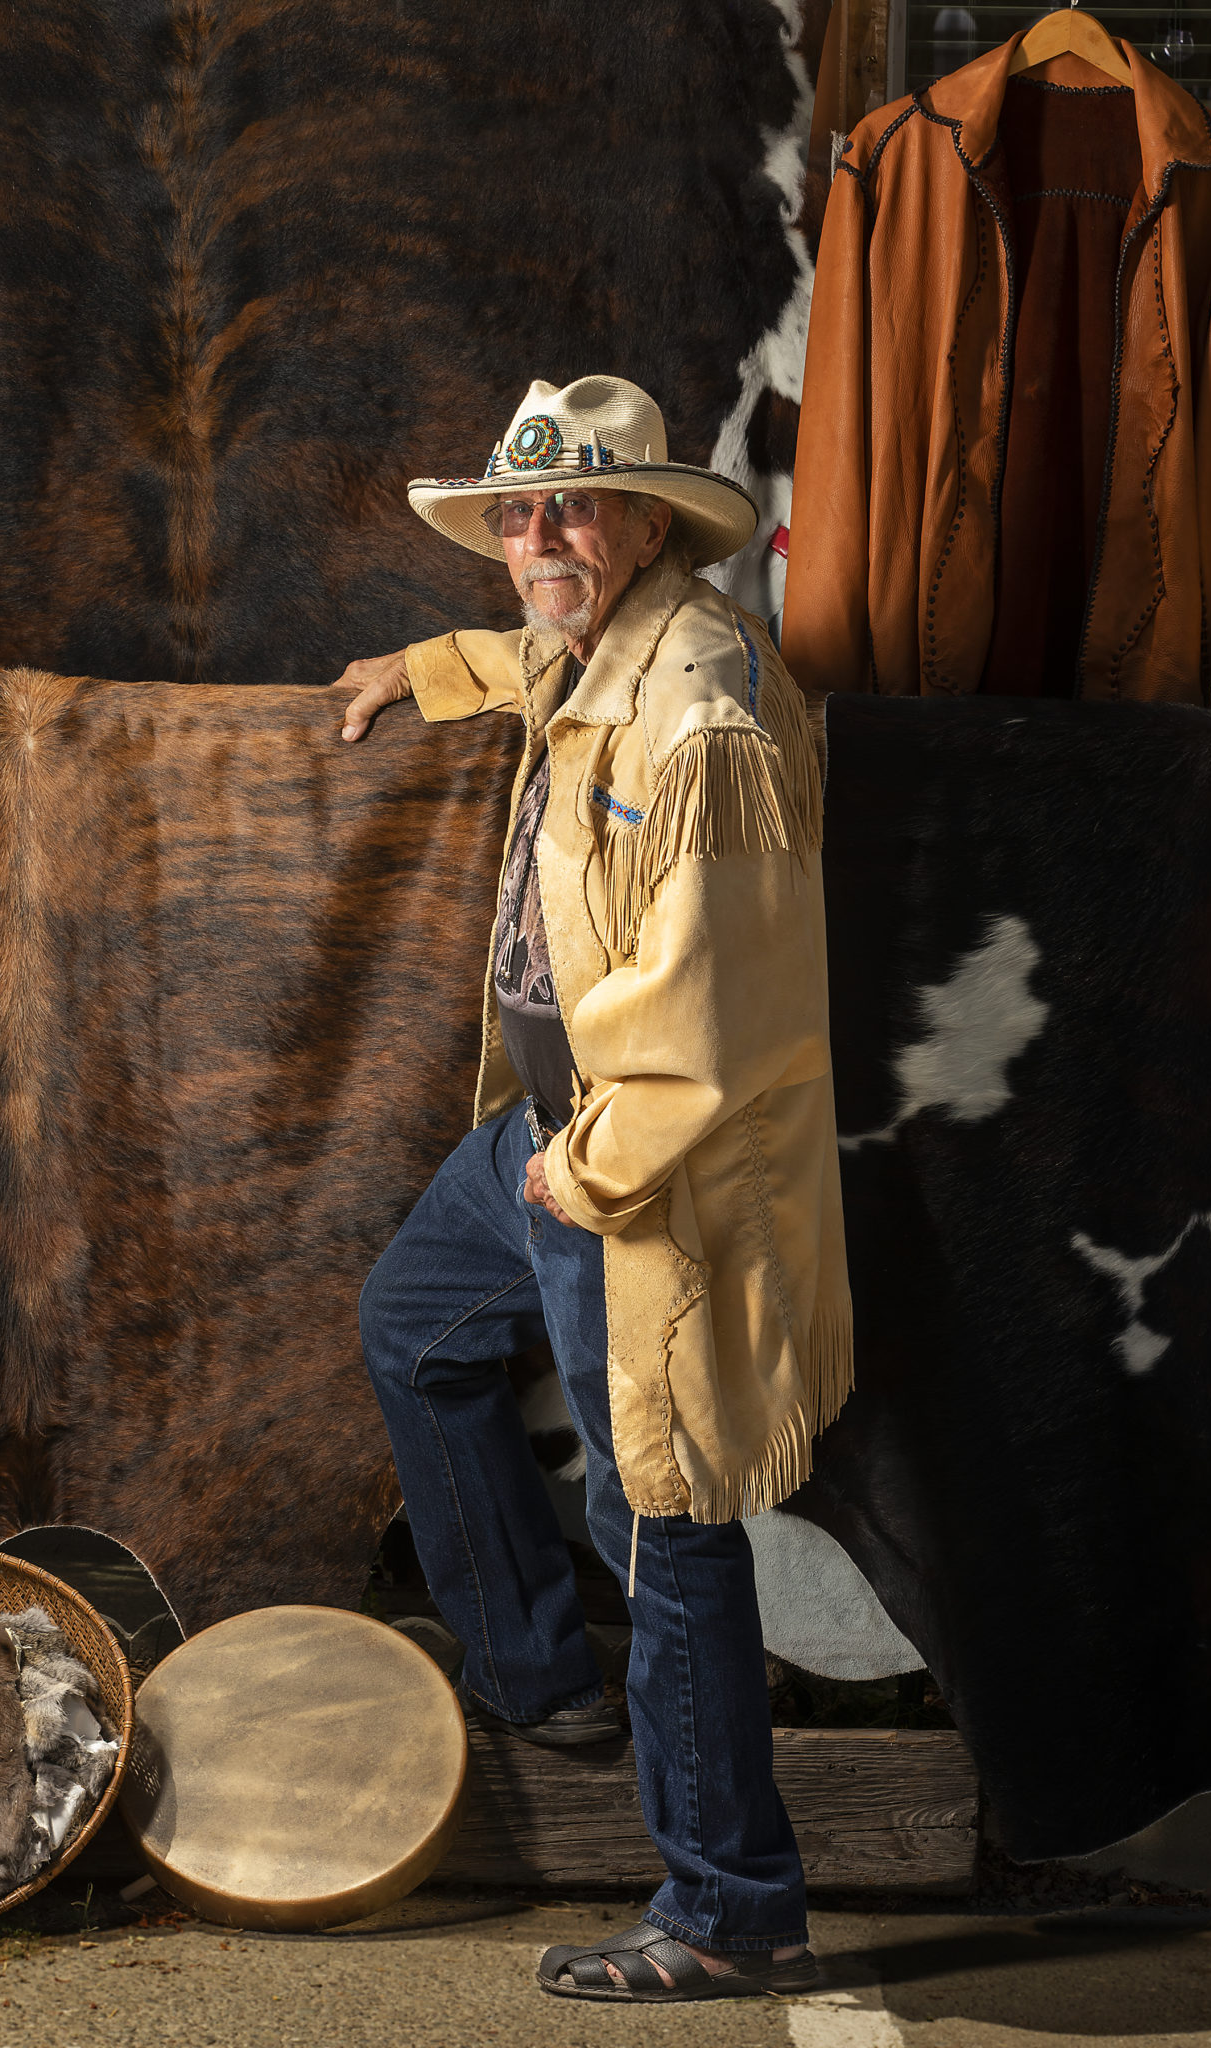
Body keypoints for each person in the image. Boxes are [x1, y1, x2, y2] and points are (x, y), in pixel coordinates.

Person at [334, 374, 851, 2005]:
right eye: (515, 511)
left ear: (645, 524)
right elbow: (524, 652)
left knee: (670, 1522)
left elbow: (734, 1011)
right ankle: (533, 1678)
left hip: (634, 1163)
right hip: (546, 1138)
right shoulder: (592, 635)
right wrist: (418, 671)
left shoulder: (701, 709)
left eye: (571, 507)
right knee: (416, 1328)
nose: (537, 537)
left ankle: (727, 1907)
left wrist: (588, 1173)